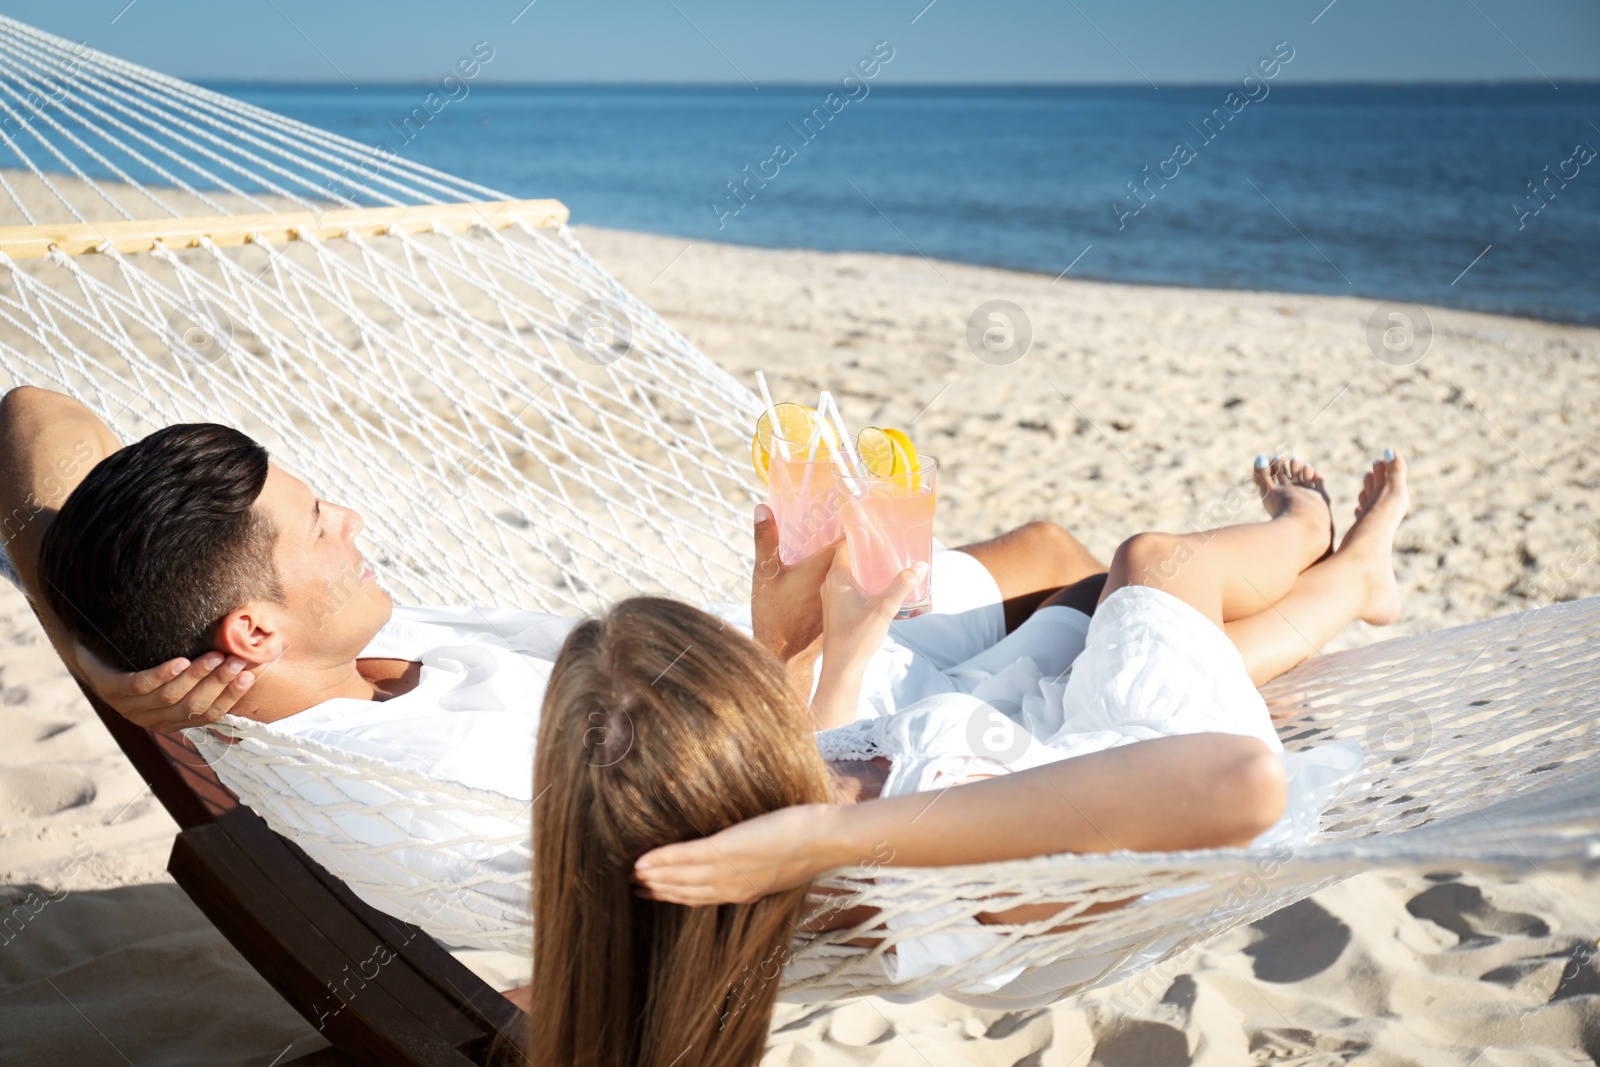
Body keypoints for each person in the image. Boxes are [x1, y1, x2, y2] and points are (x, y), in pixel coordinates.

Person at [0, 384, 1106, 942]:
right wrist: (822, 645)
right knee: (1099, 588)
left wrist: (96, 656)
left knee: (1049, 552)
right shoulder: (428, 775)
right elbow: (768, 830)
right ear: (249, 630)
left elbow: (34, 410)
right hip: (831, 722)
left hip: (733, 662)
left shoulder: (276, 660)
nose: (352, 515)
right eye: (318, 522)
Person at [528, 452, 1407, 1066]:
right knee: (1150, 563)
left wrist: (840, 649)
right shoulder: (895, 858)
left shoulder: (764, 813)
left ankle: (1356, 579)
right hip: (1150, 766)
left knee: (1137, 623)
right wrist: (826, 833)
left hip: (1049, 731)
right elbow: (1243, 781)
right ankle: (1317, 532)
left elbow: (814, 757)